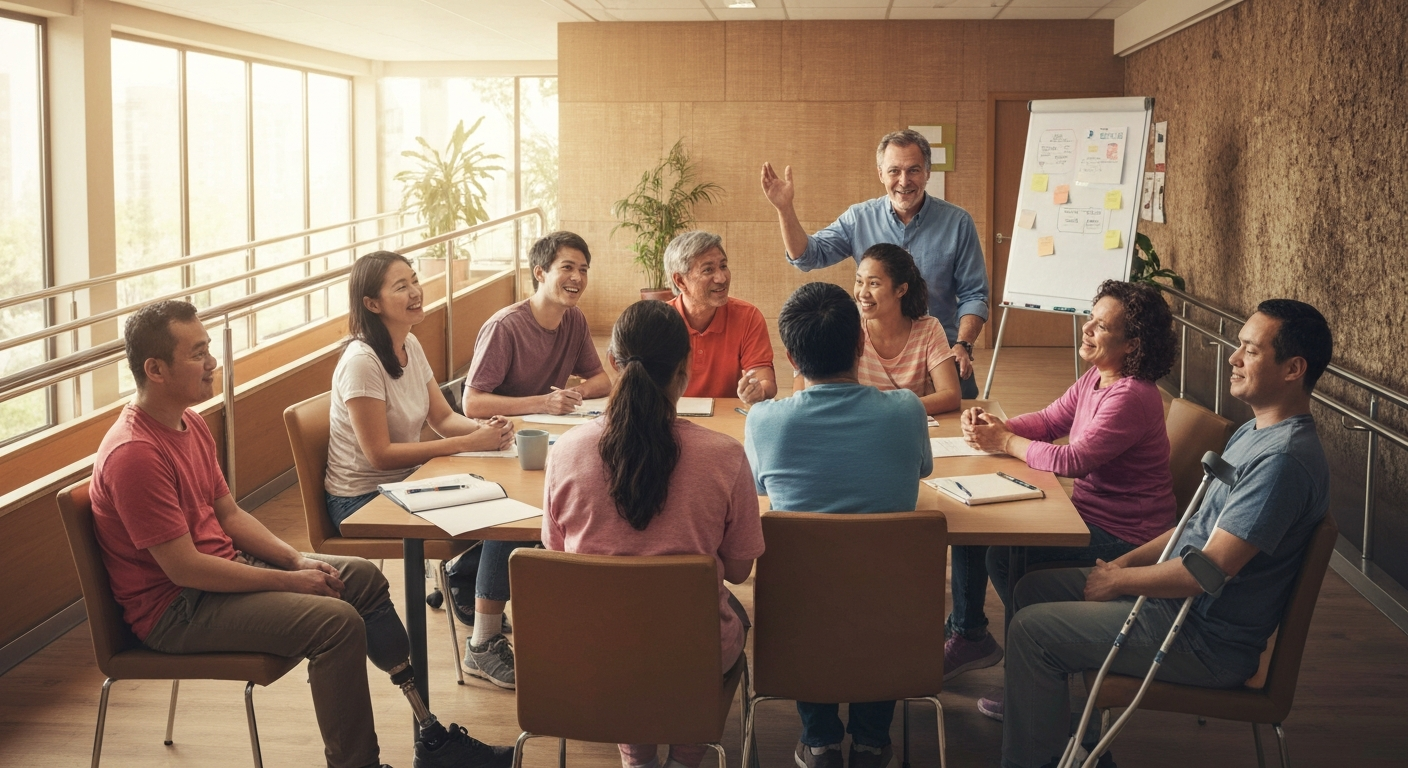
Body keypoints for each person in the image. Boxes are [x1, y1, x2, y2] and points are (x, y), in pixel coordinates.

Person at [90, 300, 513, 768]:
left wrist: (295, 561)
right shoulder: (135, 454)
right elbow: (184, 568)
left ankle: (429, 735)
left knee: (363, 581)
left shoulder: (187, 422)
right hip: (176, 609)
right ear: (156, 369)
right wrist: (291, 580)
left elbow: (229, 515)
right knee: (335, 624)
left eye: (208, 348)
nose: (213, 363)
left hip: (219, 576)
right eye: (197, 353)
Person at [999, 299, 1332, 768]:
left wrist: (1119, 583)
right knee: (1032, 588)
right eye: (1238, 346)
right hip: (1174, 605)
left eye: (1250, 351)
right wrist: (1126, 563)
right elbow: (1192, 525)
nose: (1233, 359)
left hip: (1202, 637)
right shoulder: (1254, 432)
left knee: (1032, 633)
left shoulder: (1282, 462)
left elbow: (1209, 571)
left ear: (1293, 368)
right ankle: (1076, 744)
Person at [543, 300, 765, 768]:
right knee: (725, 623)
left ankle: (636, 759)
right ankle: (685, 759)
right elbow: (741, 570)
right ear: (687, 365)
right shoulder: (724, 456)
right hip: (693, 656)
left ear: (612, 362)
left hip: (597, 653)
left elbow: (557, 556)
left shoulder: (564, 451)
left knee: (625, 636)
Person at [956, 281, 1179, 715]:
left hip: (1126, 538)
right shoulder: (1098, 376)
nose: (1087, 329)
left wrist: (1003, 441)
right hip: (1088, 516)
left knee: (1005, 558)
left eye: (1101, 326)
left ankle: (1039, 667)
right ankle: (1023, 656)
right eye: (1090, 319)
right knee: (996, 543)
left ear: (1133, 344)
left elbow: (1074, 460)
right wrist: (994, 425)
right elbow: (1049, 419)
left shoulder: (1131, 395)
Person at [744, 282, 933, 768]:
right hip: (896, 616)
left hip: (799, 620)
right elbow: (923, 469)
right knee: (874, 593)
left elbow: (761, 488)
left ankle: (820, 738)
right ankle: (872, 740)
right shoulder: (907, 409)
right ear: (859, 344)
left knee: (815, 590)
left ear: (791, 356)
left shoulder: (765, 420)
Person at [323, 251, 522, 690]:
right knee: (503, 519)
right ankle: (482, 645)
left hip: (409, 484)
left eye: (414, 280)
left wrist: (485, 430)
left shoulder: (408, 343)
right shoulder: (362, 362)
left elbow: (443, 418)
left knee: (510, 503)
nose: (416, 291)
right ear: (371, 303)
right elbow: (379, 455)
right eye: (401, 286)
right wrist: (467, 443)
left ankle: (465, 579)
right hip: (364, 501)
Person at [761, 128, 988, 399]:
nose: (904, 181)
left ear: (928, 172)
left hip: (941, 354)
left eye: (914, 170)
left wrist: (963, 344)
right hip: (870, 357)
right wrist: (785, 209)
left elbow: (974, 294)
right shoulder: (859, 218)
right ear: (881, 173)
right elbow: (808, 256)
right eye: (894, 171)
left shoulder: (958, 222)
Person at [462, 230, 611, 418]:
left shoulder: (574, 319)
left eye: (583, 270)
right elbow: (472, 404)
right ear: (540, 273)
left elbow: (602, 381)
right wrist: (544, 403)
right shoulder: (504, 327)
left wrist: (571, 396)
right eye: (567, 267)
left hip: (544, 427)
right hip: (504, 433)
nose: (577, 277)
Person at [663, 230, 777, 405]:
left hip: (726, 421)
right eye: (708, 270)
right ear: (680, 281)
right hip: (669, 420)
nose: (721, 278)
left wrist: (758, 392)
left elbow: (765, 380)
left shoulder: (748, 316)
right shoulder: (658, 321)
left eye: (723, 266)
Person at [847, 242, 962, 415]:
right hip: (863, 428)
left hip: (909, 429)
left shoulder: (928, 329)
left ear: (901, 290)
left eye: (874, 284)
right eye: (859, 281)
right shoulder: (848, 325)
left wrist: (887, 410)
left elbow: (951, 395)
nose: (862, 293)